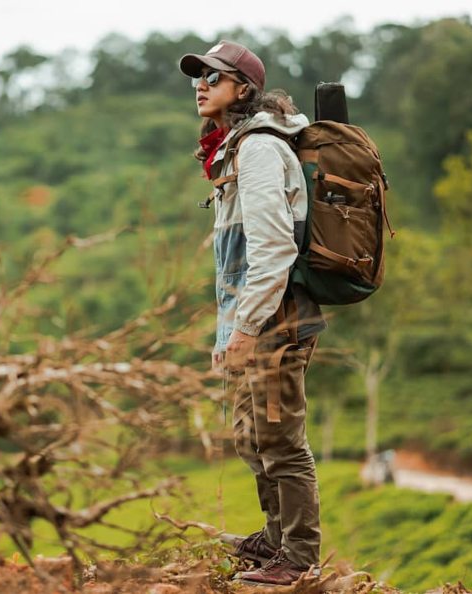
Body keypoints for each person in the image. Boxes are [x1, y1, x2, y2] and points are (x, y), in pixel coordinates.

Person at [178, 40, 327, 586]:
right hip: (253, 319)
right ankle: (274, 539)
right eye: (198, 77)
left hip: (277, 320)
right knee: (251, 436)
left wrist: (244, 328)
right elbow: (235, 262)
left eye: (213, 78)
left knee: (280, 438)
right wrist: (229, 331)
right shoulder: (235, 147)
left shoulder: (261, 149)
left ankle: (299, 557)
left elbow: (272, 252)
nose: (200, 85)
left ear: (243, 89)